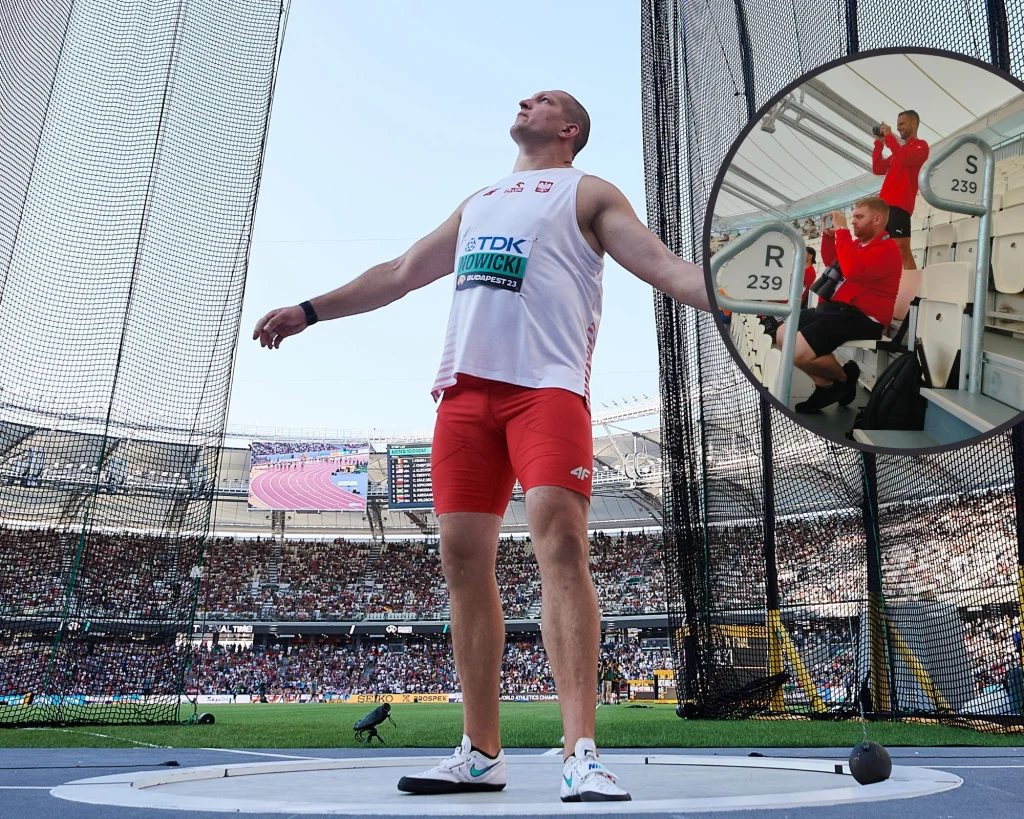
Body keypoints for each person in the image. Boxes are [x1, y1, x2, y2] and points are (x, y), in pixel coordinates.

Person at [253, 89, 710, 803]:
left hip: (545, 389)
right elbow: (402, 272)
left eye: (545, 100)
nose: (526, 101)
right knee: (462, 562)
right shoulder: (481, 201)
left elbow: (666, 268)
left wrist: (748, 294)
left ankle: (580, 753)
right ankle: (479, 752)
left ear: (569, 128)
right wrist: (312, 310)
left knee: (560, 543)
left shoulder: (589, 192)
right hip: (464, 394)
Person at [773, 197, 902, 413]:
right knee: (782, 335)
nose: (853, 222)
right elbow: (834, 258)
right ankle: (828, 385)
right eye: (853, 218)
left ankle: (843, 379)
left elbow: (852, 270)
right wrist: (828, 237)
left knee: (797, 351)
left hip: (864, 317)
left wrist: (842, 231)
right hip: (837, 310)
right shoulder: (860, 245)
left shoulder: (887, 248)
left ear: (878, 219)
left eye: (859, 217)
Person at [872, 111, 929, 271]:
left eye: (902, 124)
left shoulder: (921, 146)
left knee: (902, 250)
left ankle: (913, 294)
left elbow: (905, 157)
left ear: (914, 123)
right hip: (884, 207)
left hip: (900, 206)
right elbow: (877, 168)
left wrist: (889, 137)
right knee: (881, 251)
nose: (898, 128)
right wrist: (879, 143)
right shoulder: (897, 152)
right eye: (897, 126)